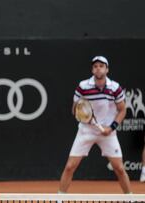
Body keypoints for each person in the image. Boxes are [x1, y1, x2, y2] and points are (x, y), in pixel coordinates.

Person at [58, 56, 132, 193]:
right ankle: (59, 199)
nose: (98, 68)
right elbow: (74, 109)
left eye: (101, 66)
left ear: (107, 69)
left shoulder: (115, 87)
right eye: (95, 66)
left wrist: (111, 128)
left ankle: (131, 198)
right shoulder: (83, 86)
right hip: (86, 131)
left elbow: (122, 111)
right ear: (92, 70)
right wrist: (81, 113)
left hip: (108, 133)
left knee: (120, 169)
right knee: (69, 167)